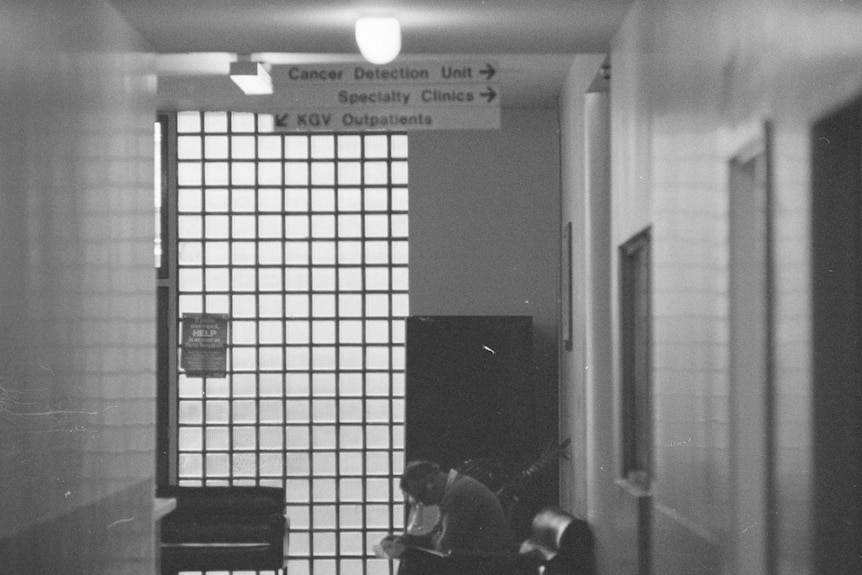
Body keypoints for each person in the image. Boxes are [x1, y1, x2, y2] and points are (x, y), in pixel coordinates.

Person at [378, 459, 512, 566]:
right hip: (478, 560)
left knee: (410, 563)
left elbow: (445, 546)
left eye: (421, 496)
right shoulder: (454, 490)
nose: (424, 503)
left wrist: (407, 549)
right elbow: (438, 535)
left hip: (484, 564)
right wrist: (408, 540)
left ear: (431, 480)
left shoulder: (458, 495)